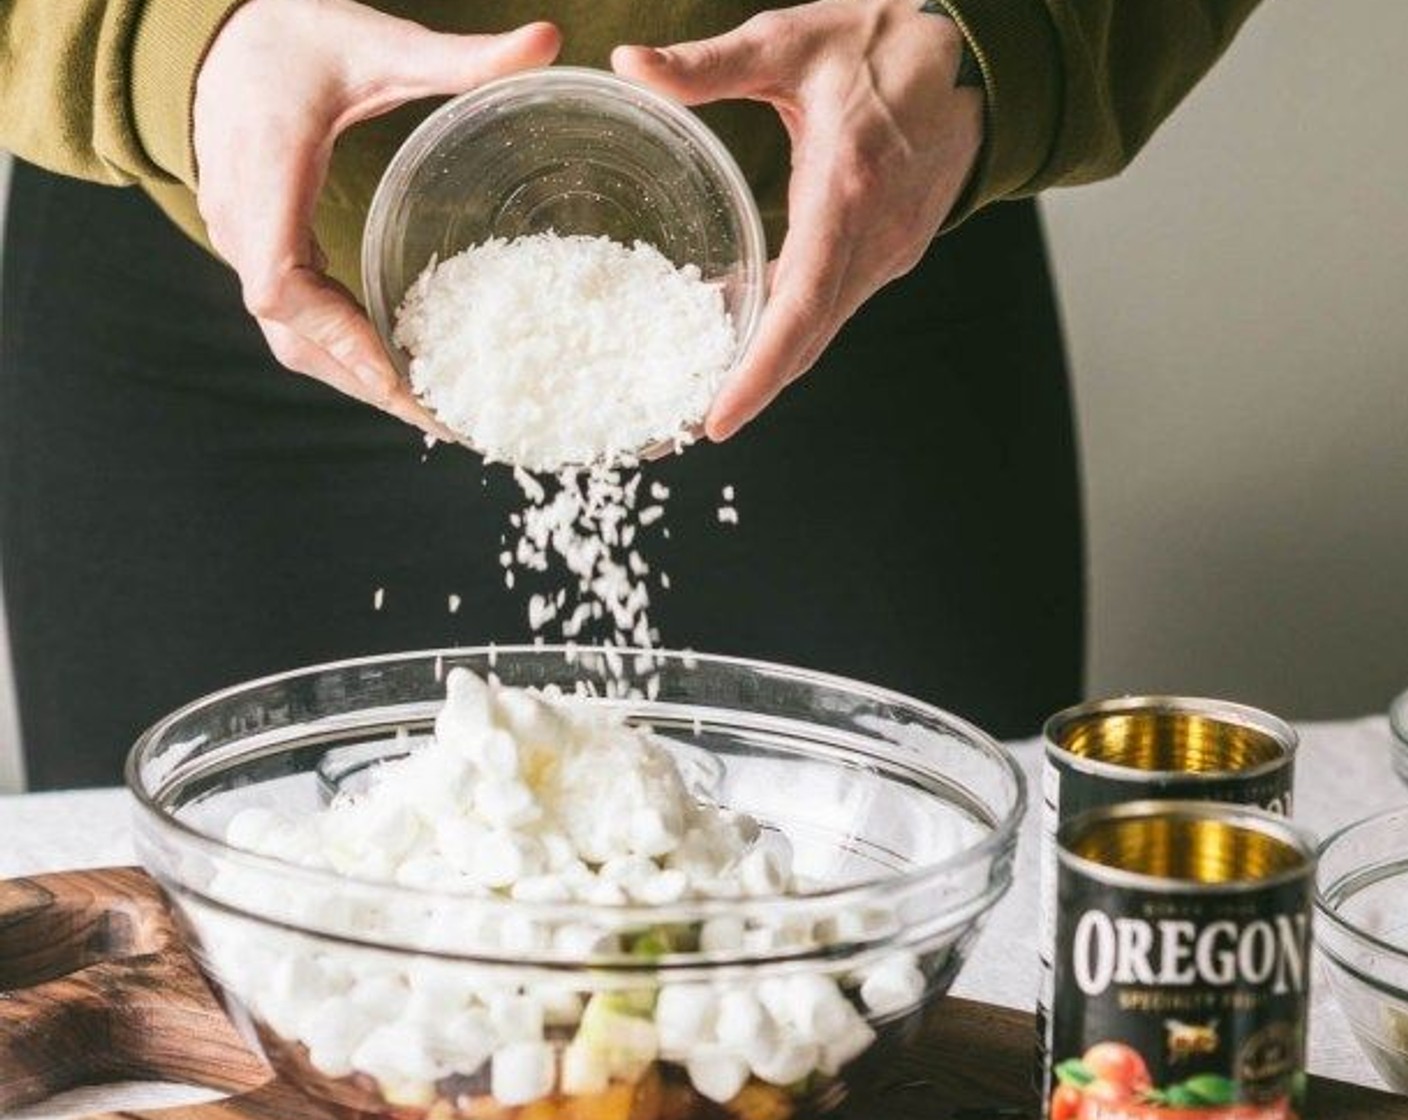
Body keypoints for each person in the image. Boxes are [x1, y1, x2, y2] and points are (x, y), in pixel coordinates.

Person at [0, 0, 1261, 788]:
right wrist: (146, 36)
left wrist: (1007, 28)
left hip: (858, 210)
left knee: (869, 992)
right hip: (202, 250)